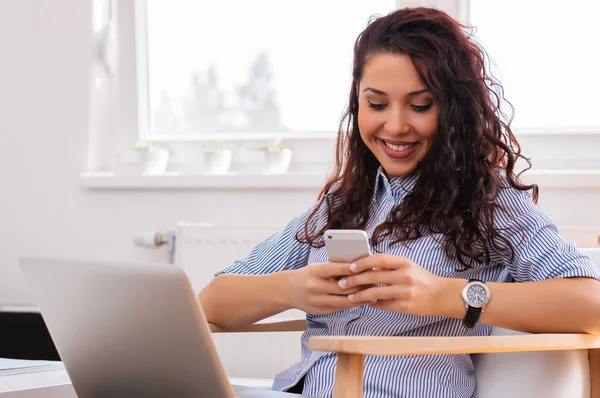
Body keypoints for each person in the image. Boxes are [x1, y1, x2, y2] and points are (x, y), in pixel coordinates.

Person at [199, 6, 600, 398]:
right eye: (376, 104)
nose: (395, 125)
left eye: (420, 105)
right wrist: (290, 288)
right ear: (356, 103)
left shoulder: (490, 200)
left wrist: (444, 294)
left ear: (454, 109)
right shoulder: (341, 202)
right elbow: (211, 302)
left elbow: (591, 305)